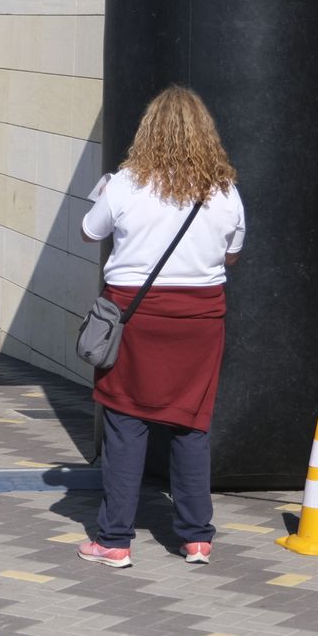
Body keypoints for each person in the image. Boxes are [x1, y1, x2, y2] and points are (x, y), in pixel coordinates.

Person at [76, 85, 245, 568]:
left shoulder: (127, 183)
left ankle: (113, 541)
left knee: (126, 423)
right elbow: (232, 253)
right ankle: (195, 538)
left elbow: (90, 233)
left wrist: (108, 193)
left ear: (148, 132)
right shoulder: (224, 190)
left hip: (135, 316)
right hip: (200, 319)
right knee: (191, 424)